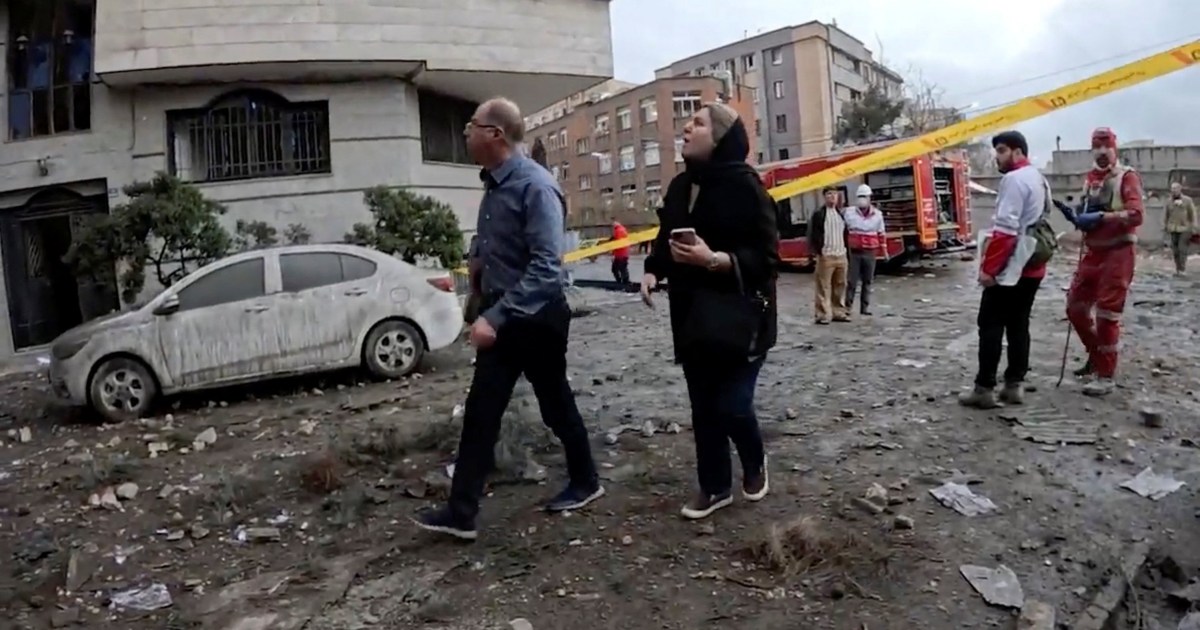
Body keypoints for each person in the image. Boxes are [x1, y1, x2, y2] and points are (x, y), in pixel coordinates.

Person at [413, 98, 603, 541]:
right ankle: (461, 512)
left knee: (555, 403)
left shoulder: (535, 186)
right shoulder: (495, 183)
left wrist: (495, 317)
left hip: (536, 316)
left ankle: (586, 481)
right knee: (482, 411)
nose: (465, 132)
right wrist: (478, 264)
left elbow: (547, 268)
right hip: (505, 312)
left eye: (471, 125)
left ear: (495, 134)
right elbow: (497, 241)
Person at [639, 102, 778, 520]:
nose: (686, 128)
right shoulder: (681, 186)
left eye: (697, 123)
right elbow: (667, 236)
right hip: (693, 318)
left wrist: (714, 260)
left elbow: (768, 260)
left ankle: (754, 460)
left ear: (721, 138)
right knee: (703, 408)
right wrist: (652, 270)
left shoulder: (747, 187)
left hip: (742, 319)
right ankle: (715, 487)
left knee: (733, 404)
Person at [959, 131, 1047, 409]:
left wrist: (989, 270)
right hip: (1033, 264)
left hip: (1011, 268)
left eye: (1001, 151)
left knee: (990, 325)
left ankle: (984, 389)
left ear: (1017, 152)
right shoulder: (1038, 178)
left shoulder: (1014, 179)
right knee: (1019, 325)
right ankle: (1014, 385)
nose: (996, 157)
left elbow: (1006, 231)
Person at [1066, 127, 1144, 397]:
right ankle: (1096, 356)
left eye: (1105, 146)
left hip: (1118, 253)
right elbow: (1087, 208)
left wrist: (1103, 217)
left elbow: (1136, 214)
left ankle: (1106, 375)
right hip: (1093, 252)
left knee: (1107, 315)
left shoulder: (1127, 177)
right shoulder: (1090, 179)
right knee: (1075, 308)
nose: (1101, 151)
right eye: (1096, 146)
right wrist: (1079, 215)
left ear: (1114, 148)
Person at [807, 187, 849, 324]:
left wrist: (846, 252)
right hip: (826, 255)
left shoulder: (840, 214)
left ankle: (839, 312)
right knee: (823, 286)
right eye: (829, 194)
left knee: (840, 285)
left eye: (835, 194)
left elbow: (845, 234)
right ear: (824, 197)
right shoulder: (819, 214)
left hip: (841, 254)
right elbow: (812, 234)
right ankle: (822, 314)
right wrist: (817, 252)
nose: (832, 196)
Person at [843, 184, 886, 316]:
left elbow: (881, 234)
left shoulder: (877, 215)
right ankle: (848, 307)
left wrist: (884, 252)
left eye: (864, 196)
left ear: (869, 198)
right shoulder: (848, 213)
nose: (862, 199)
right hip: (854, 252)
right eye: (860, 196)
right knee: (852, 281)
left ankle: (864, 308)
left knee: (868, 281)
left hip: (870, 252)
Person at [1164, 182, 1197, 275]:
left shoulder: (1187, 200)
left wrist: (1194, 226)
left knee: (1182, 248)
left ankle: (1182, 268)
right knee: (1175, 250)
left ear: (1180, 189)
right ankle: (1178, 268)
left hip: (1184, 228)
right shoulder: (1169, 201)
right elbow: (1166, 215)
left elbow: (1192, 214)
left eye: (1175, 188)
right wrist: (1165, 226)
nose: (1174, 191)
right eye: (1172, 189)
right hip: (1173, 228)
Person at [610, 220, 631, 285]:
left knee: (616, 269)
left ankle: (622, 282)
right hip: (624, 253)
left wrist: (613, 253)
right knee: (623, 269)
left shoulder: (618, 231)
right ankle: (625, 281)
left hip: (620, 254)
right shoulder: (623, 230)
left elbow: (617, 243)